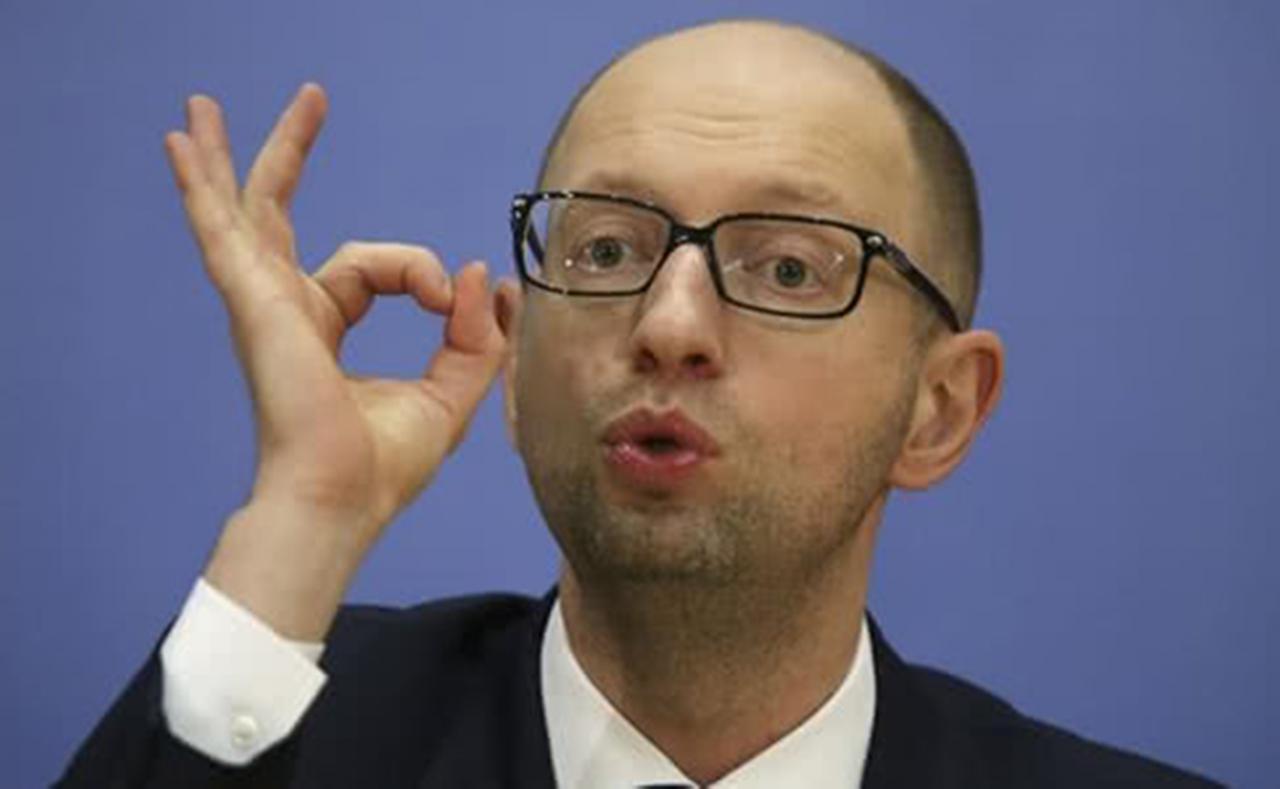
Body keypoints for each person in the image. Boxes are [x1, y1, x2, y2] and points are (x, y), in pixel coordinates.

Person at [59, 19, 1219, 788]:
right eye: (608, 249)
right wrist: (302, 515)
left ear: (938, 410)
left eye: (787, 268)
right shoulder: (273, 729)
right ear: (517, 362)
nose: (668, 325)